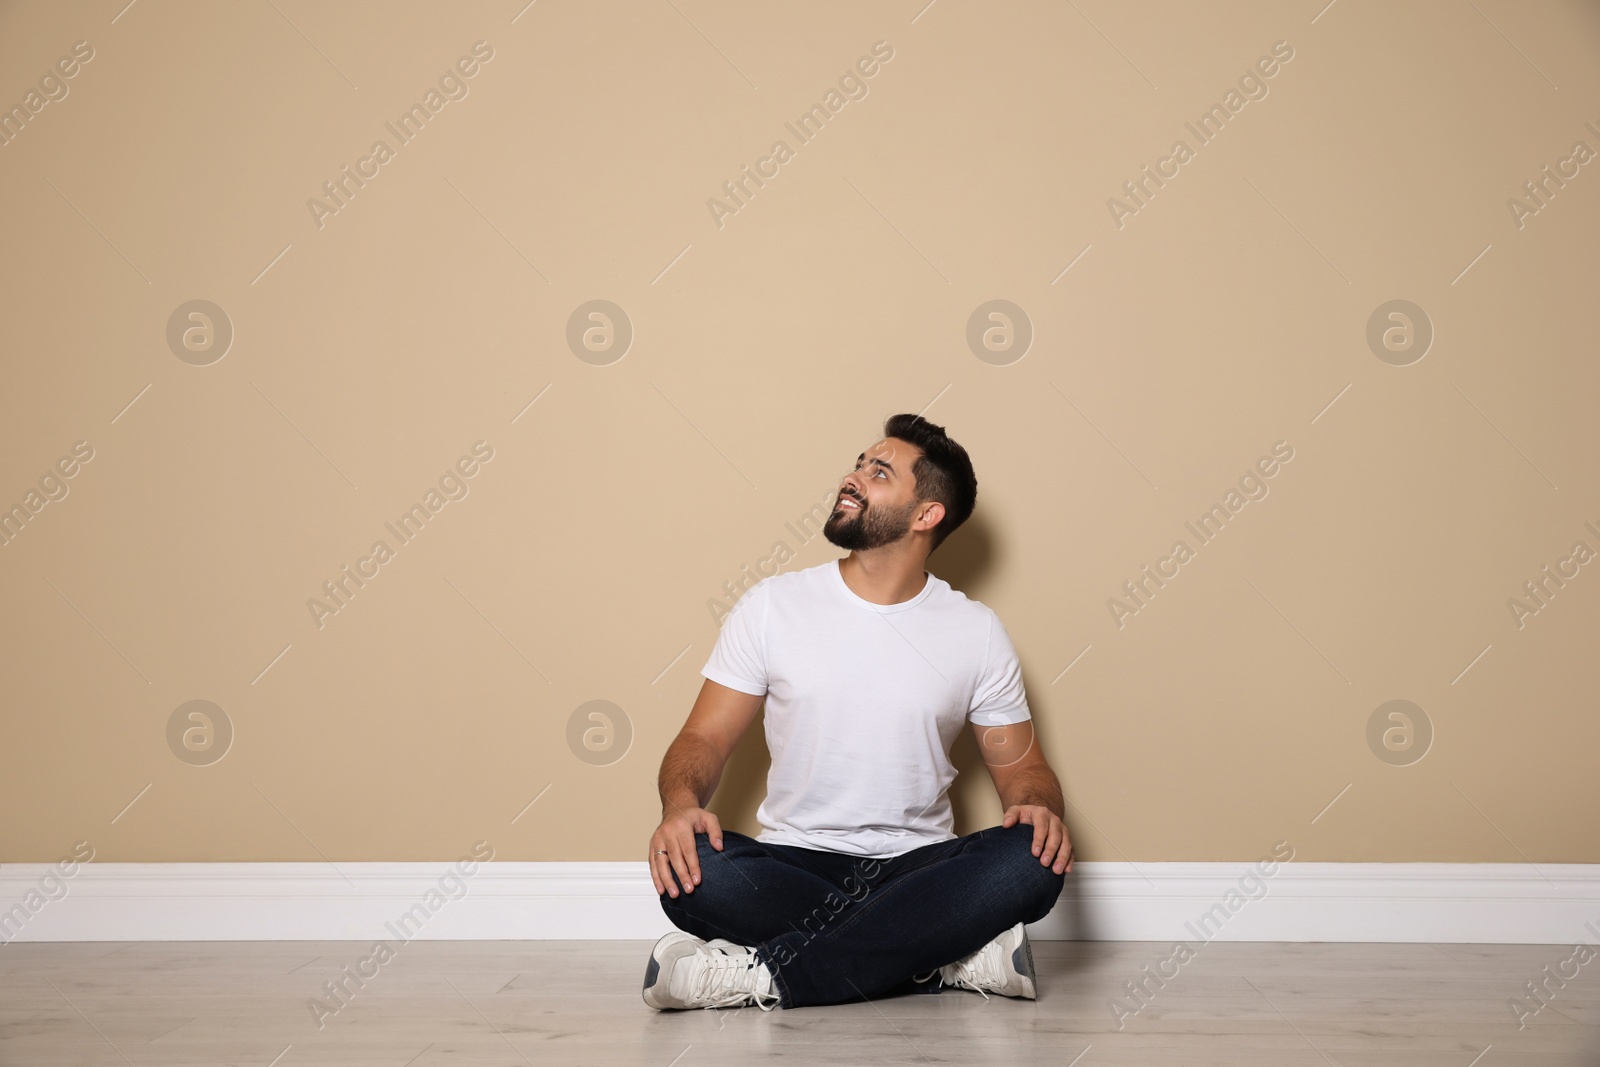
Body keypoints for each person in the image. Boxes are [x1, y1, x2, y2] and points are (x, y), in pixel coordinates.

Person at [643, 413, 1073, 1012]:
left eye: (879, 472)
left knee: (1029, 859)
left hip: (920, 868)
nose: (853, 477)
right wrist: (680, 806)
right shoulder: (773, 606)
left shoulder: (974, 630)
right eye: (859, 464)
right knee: (696, 873)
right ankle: (941, 957)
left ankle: (765, 978)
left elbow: (1023, 769)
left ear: (926, 515)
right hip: (792, 862)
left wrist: (1039, 805)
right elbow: (703, 739)